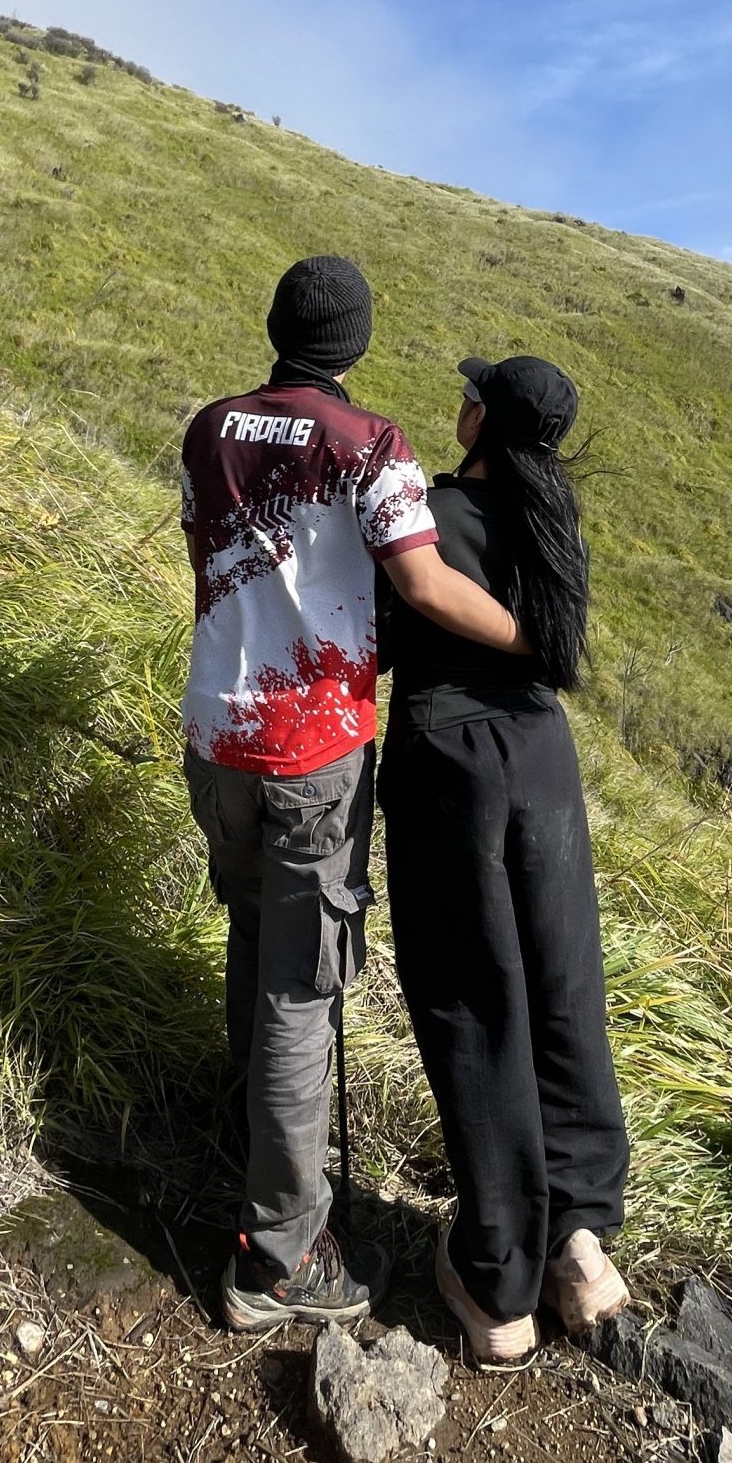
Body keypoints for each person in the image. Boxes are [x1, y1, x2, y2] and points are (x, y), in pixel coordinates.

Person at [180, 258, 525, 1333]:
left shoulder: (210, 429)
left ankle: (253, 1143)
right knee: (302, 988)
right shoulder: (371, 444)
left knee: (253, 934)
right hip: (312, 751)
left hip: (216, 730)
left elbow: (205, 553)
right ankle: (280, 1256)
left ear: (276, 325)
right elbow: (422, 581)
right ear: (356, 343)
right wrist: (532, 639)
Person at [380, 355, 630, 1369]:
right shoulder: (554, 521)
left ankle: (497, 1282)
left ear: (482, 421)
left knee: (472, 999)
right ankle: (579, 1241)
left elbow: (379, 632)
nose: (461, 402)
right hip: (544, 758)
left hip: (452, 762)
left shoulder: (430, 514)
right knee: (564, 986)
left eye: (471, 395)